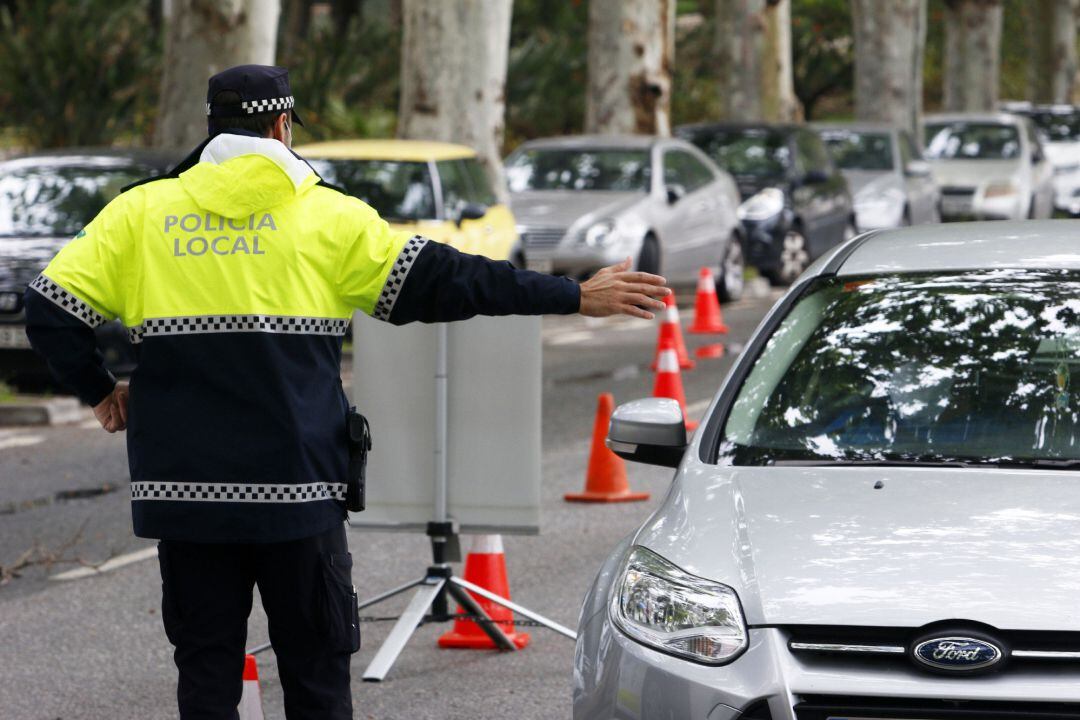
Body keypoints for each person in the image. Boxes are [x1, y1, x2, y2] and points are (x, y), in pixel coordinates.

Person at [23, 65, 669, 719]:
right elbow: (449, 278)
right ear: (282, 126)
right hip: (298, 493)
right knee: (316, 675)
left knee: (207, 671)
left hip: (186, 498)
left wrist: (101, 390)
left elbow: (47, 307)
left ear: (210, 128)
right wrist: (573, 294)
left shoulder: (140, 214)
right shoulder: (329, 217)